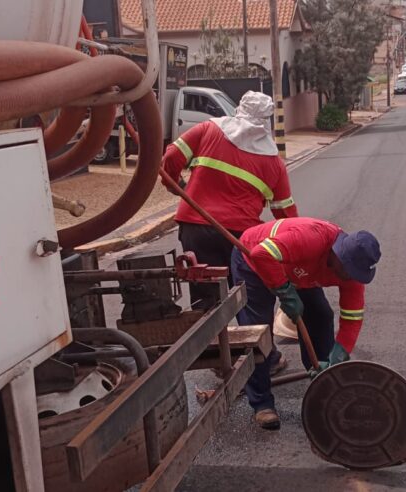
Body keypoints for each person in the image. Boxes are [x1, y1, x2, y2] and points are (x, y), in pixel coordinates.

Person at [161, 91, 298, 374]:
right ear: (266, 122)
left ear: (238, 110)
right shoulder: (273, 162)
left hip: (195, 226)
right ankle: (265, 359)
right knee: (251, 296)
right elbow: (285, 213)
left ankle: (219, 361)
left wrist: (177, 185)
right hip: (241, 237)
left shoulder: (209, 129)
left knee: (206, 296)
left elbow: (171, 156)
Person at [232, 217, 381, 429]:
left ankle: (323, 382)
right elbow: (261, 254)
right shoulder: (312, 239)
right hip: (253, 261)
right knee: (259, 331)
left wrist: (338, 355)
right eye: (347, 270)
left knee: (320, 315)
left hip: (298, 271)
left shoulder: (352, 275)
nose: (349, 277)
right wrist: (284, 290)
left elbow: (352, 318)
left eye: (355, 274)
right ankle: (262, 403)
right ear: (338, 254)